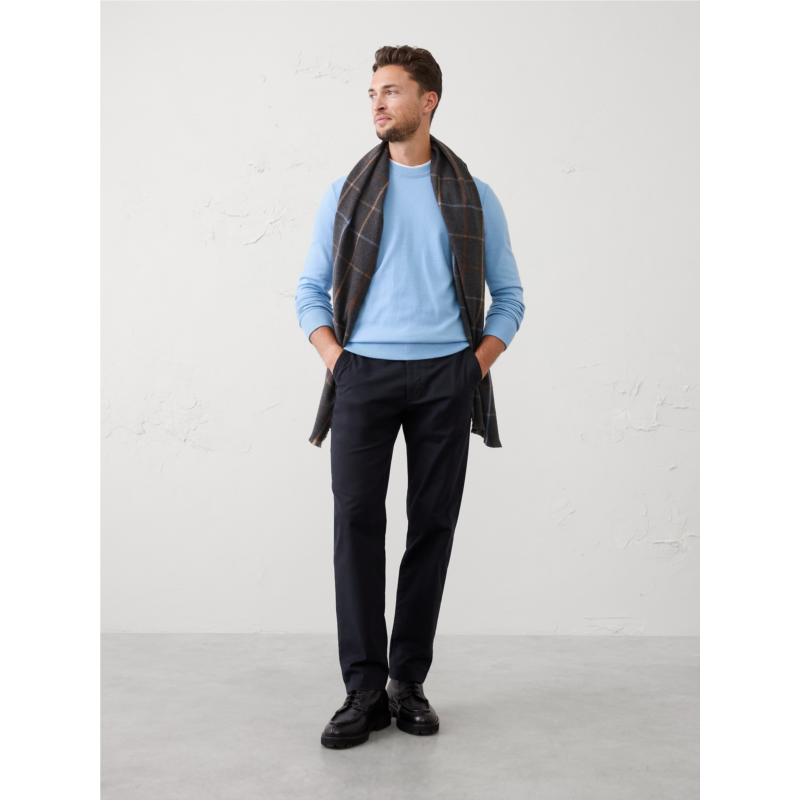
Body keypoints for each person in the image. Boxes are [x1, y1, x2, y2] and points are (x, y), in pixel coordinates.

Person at [294, 45, 525, 749]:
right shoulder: (346, 193)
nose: (377, 103)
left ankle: (407, 682)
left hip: (444, 379)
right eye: (372, 92)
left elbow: (509, 298)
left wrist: (472, 368)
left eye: (391, 91)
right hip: (362, 375)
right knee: (356, 525)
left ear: (429, 101)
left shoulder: (474, 195)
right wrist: (338, 361)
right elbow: (309, 292)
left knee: (432, 526)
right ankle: (362, 690)